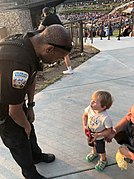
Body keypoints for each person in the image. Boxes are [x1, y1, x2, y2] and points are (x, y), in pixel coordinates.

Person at [0, 24, 73, 179]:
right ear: (49, 49)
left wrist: (31, 106)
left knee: (28, 128)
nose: (57, 62)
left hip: (14, 100)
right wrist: (25, 124)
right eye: (59, 58)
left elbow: (31, 77)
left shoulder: (33, 42)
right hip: (3, 108)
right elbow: (13, 111)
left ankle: (36, 156)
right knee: (17, 139)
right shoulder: (18, 61)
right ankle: (29, 173)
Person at [82, 90, 113, 171]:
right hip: (90, 133)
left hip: (99, 137)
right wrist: (85, 126)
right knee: (92, 144)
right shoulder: (89, 109)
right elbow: (85, 116)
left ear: (103, 107)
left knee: (100, 148)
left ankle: (103, 159)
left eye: (95, 101)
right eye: (92, 100)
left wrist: (98, 135)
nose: (92, 102)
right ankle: (94, 152)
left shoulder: (105, 118)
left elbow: (109, 130)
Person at [38, 7, 73, 75]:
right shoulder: (55, 15)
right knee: (57, 50)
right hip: (64, 33)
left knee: (62, 52)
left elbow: (40, 29)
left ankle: (69, 69)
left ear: (44, 13)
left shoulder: (46, 18)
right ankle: (54, 62)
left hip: (57, 37)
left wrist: (41, 24)